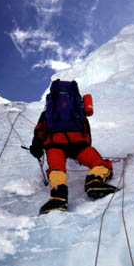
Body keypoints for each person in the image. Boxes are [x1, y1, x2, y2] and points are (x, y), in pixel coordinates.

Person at [30, 79, 117, 215]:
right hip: (78, 144)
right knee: (100, 164)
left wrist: (37, 145)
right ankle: (94, 180)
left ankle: (59, 197)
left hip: (54, 145)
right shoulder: (78, 106)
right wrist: (85, 148)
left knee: (56, 168)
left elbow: (40, 130)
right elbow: (85, 130)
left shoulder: (49, 110)